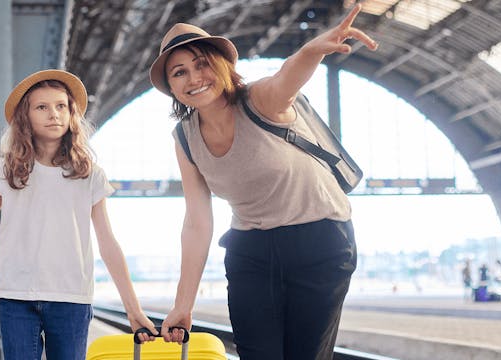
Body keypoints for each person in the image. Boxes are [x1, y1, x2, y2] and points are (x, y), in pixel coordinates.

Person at [148, 4, 377, 359]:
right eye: (179, 73)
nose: (194, 78)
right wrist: (183, 304)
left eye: (202, 63)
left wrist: (313, 49)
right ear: (172, 88)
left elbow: (288, 77)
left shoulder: (260, 99)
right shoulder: (185, 137)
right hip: (251, 249)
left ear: (222, 66)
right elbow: (197, 220)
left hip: (319, 239)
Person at [0, 69, 157, 359]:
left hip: (71, 297)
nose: (53, 114)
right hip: (16, 296)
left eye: (61, 106)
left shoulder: (89, 174)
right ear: (25, 117)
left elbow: (108, 244)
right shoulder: (8, 170)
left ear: (71, 115)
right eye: (42, 107)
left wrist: (134, 309)